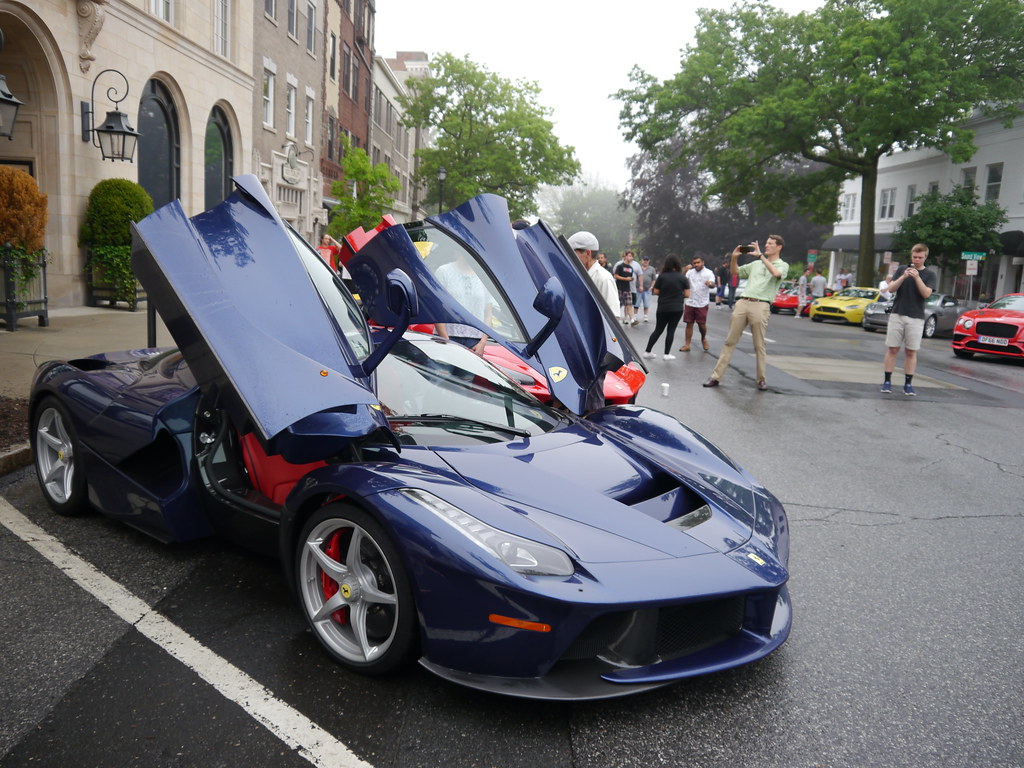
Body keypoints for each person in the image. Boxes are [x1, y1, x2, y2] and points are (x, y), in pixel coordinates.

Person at [703, 235, 788, 391]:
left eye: (770, 244)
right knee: (729, 341)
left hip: (761, 304)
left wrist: (761, 256)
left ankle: (761, 379)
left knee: (759, 345)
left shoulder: (782, 265)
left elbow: (776, 274)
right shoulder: (755, 264)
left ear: (779, 247)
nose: (766, 246)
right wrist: (735, 258)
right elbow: (735, 272)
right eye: (766, 243)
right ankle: (715, 377)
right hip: (743, 302)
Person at [881, 243, 936, 396]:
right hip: (897, 313)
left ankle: (908, 383)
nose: (917, 260)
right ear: (911, 256)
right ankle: (887, 381)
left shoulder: (929, 275)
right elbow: (891, 289)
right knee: (892, 348)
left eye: (920, 257)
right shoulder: (901, 270)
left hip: (916, 317)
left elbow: (926, 294)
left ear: (925, 257)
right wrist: (904, 276)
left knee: (911, 351)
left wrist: (917, 277)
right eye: (914, 257)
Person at [434, 252, 494, 356]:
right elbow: (436, 307)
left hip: (474, 342)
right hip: (447, 337)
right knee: (440, 372)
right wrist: (445, 339)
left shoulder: (484, 277)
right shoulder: (444, 271)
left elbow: (488, 314)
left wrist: (482, 342)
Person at [641, 255, 687, 360]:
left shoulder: (662, 276)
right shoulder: (682, 278)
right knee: (671, 330)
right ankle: (666, 354)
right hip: (677, 307)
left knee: (658, 330)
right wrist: (677, 294)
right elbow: (687, 294)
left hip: (663, 307)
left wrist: (666, 293)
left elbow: (656, 291)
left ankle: (648, 351)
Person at [569, 231, 618, 314]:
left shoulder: (604, 279)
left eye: (573, 253)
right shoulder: (579, 275)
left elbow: (613, 316)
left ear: (587, 253)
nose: (570, 257)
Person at [678, 256, 716, 352]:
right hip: (690, 301)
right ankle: (687, 345)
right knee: (689, 323)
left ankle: (703, 338)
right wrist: (684, 270)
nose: (696, 265)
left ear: (702, 262)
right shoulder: (690, 272)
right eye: (694, 263)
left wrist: (710, 284)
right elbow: (681, 280)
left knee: (701, 324)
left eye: (698, 262)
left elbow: (713, 284)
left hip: (702, 302)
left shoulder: (709, 273)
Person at [613, 251, 638, 325]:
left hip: (627, 289)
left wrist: (630, 279)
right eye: (629, 256)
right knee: (617, 305)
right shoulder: (620, 266)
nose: (631, 258)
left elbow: (629, 277)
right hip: (619, 288)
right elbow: (616, 276)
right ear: (625, 256)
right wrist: (625, 279)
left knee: (629, 304)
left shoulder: (630, 268)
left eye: (632, 256)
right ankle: (613, 318)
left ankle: (632, 320)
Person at [635, 255, 657, 323]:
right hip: (638, 289)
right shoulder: (638, 268)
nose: (645, 261)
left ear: (648, 261)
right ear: (642, 261)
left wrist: (651, 287)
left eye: (647, 260)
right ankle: (635, 316)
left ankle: (645, 316)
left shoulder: (652, 269)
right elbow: (635, 277)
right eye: (644, 260)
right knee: (636, 304)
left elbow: (654, 279)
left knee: (646, 304)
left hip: (647, 289)